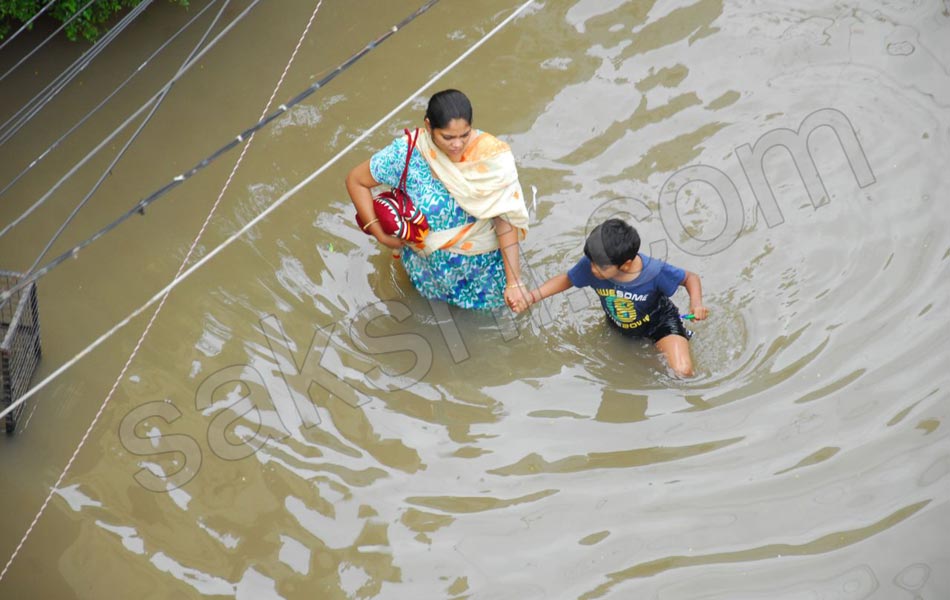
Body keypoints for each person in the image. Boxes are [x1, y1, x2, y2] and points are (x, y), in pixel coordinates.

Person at [345, 89, 531, 311]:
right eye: (448, 137)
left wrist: (514, 282)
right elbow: (356, 180)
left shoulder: (489, 156)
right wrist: (379, 234)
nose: (457, 145)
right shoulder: (408, 152)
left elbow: (505, 218)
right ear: (428, 126)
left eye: (465, 135)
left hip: (485, 278)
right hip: (427, 275)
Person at [512, 218, 709, 377]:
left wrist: (696, 303)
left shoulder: (655, 272)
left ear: (625, 264)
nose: (591, 269)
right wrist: (532, 297)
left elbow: (690, 278)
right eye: (590, 262)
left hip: (661, 324)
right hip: (618, 324)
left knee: (682, 372)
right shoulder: (594, 266)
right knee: (625, 365)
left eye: (599, 266)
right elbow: (567, 279)